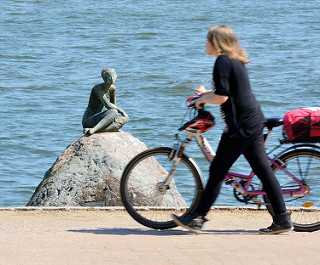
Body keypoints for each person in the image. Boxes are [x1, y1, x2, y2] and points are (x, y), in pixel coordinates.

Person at [172, 25, 293, 235]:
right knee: (263, 170)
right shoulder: (234, 60)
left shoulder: (222, 61)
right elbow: (226, 90)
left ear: (217, 42)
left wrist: (201, 100)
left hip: (241, 127)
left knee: (217, 171)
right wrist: (206, 92)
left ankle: (198, 217)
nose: (205, 44)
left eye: (208, 40)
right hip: (253, 121)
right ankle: (282, 219)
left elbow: (223, 97)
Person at [82, 67, 129, 134]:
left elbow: (113, 105)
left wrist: (120, 117)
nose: (112, 78)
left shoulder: (112, 88)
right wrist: (122, 111)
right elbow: (108, 105)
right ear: (104, 77)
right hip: (90, 119)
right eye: (109, 76)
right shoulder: (98, 89)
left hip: (101, 119)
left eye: (113, 75)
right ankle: (94, 129)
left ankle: (99, 129)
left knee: (124, 119)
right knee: (114, 112)